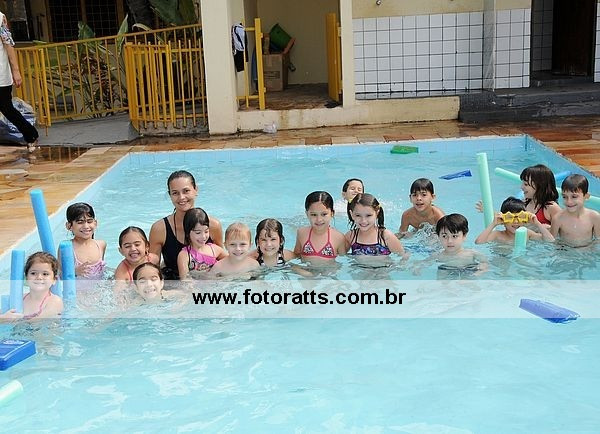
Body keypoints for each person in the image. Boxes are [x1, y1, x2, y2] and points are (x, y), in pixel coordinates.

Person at [149, 170, 223, 280]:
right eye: (175, 193)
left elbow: (224, 262)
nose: (181, 197)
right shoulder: (160, 229)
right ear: (170, 195)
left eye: (186, 191)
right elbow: (151, 270)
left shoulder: (213, 226)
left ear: (196, 190)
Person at [0, 12, 38, 152]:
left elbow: (9, 45)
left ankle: (30, 134)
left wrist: (15, 71)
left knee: (6, 108)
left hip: (1, 74)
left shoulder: (0, 18)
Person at [0, 252, 63, 320]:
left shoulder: (55, 301)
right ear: (26, 278)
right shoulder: (18, 299)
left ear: (54, 280)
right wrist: (3, 318)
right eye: (33, 273)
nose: (39, 277)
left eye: (45, 274)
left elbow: (36, 323)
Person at [294, 191, 347, 262]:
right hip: (306, 269)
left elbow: (343, 261)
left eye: (324, 214)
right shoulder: (302, 233)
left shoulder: (338, 238)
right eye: (314, 215)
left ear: (332, 213)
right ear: (307, 214)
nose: (319, 219)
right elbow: (296, 256)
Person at [475, 197, 555, 244]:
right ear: (503, 220)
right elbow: (479, 242)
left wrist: (537, 223)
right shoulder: (497, 235)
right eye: (510, 218)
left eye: (519, 217)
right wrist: (493, 224)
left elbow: (550, 240)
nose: (516, 222)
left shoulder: (527, 233)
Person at [551, 174, 600, 247]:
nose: (569, 201)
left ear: (586, 196)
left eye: (574, 197)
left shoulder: (594, 217)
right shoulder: (558, 219)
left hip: (587, 251)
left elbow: (598, 241)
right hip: (565, 252)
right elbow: (551, 243)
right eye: (564, 197)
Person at [177, 208, 226, 279]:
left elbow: (232, 262)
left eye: (206, 231)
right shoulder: (185, 255)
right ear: (187, 233)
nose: (203, 236)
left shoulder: (214, 249)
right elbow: (185, 280)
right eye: (198, 233)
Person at [64, 202, 106, 279]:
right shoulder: (67, 247)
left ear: (95, 223)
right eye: (80, 222)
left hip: (100, 286)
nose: (86, 226)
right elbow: (58, 274)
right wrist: (74, 272)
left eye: (89, 221)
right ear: (69, 226)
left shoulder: (101, 245)